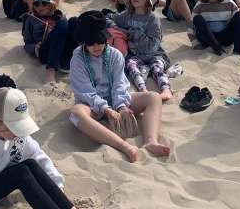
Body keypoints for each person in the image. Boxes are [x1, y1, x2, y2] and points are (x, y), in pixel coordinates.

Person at [69, 11, 171, 162]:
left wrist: (121, 106)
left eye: (100, 41)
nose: (96, 46)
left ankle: (151, 141)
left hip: (116, 99)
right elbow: (85, 91)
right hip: (92, 105)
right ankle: (123, 146)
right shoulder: (77, 58)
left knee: (154, 97)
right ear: (84, 42)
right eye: (90, 42)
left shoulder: (115, 54)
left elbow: (119, 83)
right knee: (76, 114)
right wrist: (105, 109)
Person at [107, 0, 173, 101]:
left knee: (157, 68)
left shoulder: (152, 18)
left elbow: (153, 44)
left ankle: (166, 90)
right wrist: (117, 28)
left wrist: (133, 34)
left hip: (154, 54)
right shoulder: (127, 15)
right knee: (131, 67)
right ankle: (143, 90)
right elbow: (108, 18)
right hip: (135, 55)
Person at [22, 0, 77, 83]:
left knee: (74, 21)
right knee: (63, 23)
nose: (40, 7)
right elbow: (27, 43)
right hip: (45, 50)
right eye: (37, 4)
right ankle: (50, 70)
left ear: (51, 4)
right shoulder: (30, 19)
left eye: (44, 3)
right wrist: (35, 47)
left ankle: (69, 61)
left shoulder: (59, 16)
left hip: (61, 50)